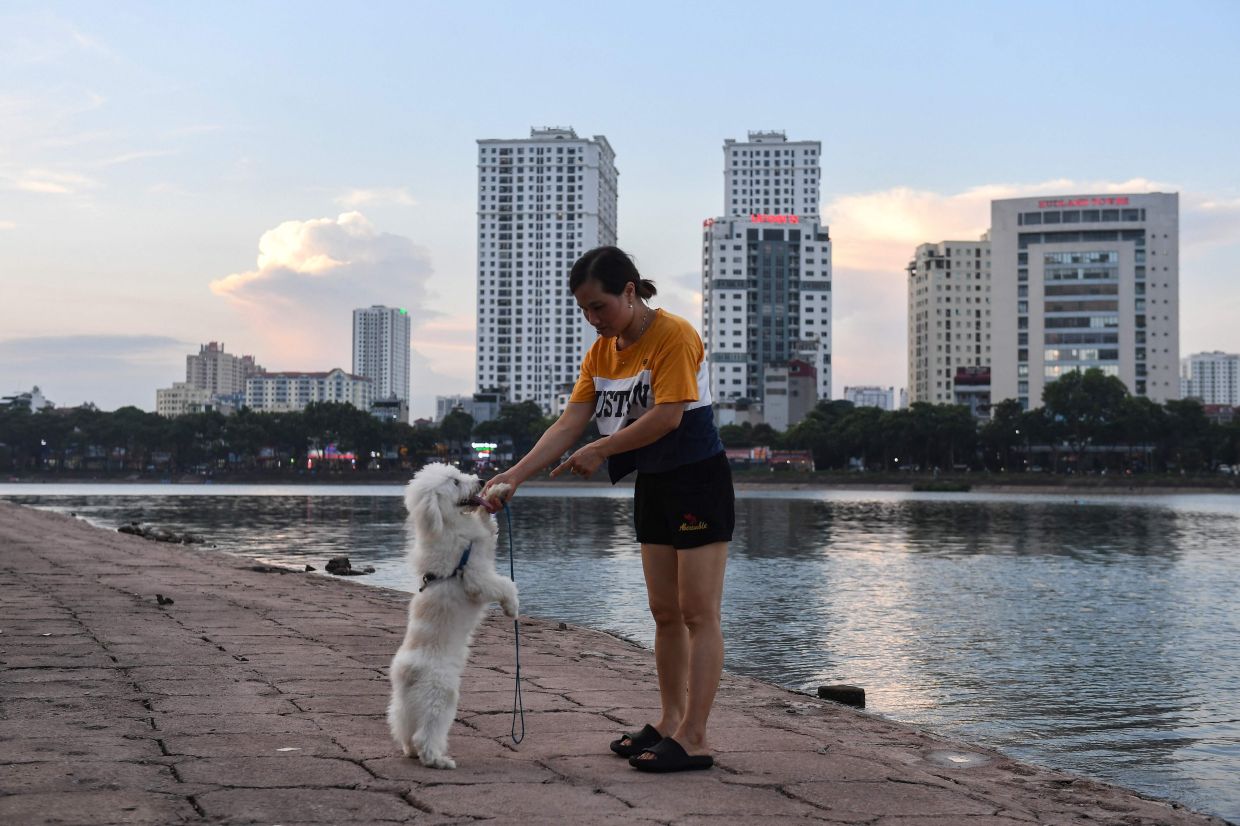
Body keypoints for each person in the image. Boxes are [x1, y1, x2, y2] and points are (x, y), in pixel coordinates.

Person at [482, 245, 733, 773]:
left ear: (630, 291)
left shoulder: (675, 335)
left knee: (697, 611)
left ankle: (696, 737)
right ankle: (668, 721)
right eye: (584, 311)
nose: (594, 320)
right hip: (655, 484)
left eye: (600, 307)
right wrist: (513, 477)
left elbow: (667, 417)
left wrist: (601, 449)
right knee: (663, 612)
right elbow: (569, 424)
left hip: (698, 482)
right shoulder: (601, 353)